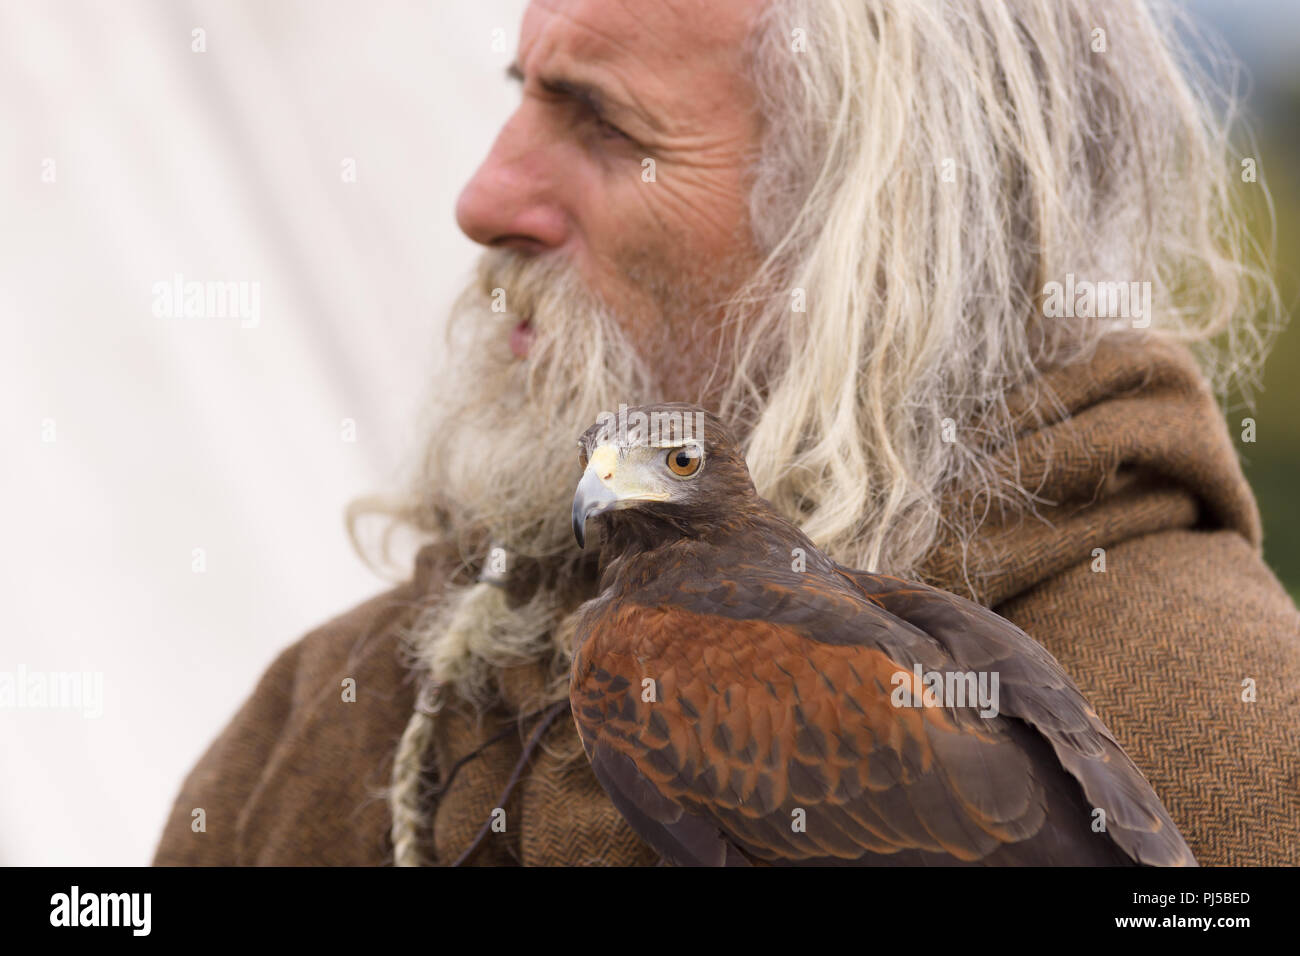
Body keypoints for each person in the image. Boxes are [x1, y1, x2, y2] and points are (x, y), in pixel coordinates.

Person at [153, 0, 1300, 867]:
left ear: (874, 223)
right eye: (520, 93)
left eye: (600, 122)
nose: (482, 194)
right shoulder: (338, 710)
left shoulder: (1231, 726)